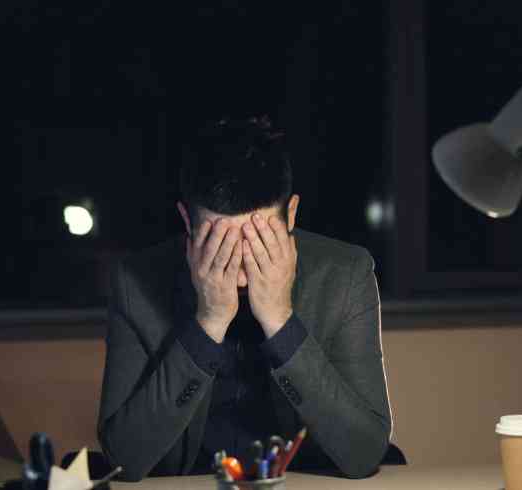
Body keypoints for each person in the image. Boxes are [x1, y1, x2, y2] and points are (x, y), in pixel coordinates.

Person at [97, 116, 393, 481]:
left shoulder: (345, 273)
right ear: (186, 221)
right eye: (218, 242)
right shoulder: (134, 282)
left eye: (258, 239)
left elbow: (365, 452)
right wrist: (208, 322)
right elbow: (124, 458)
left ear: (292, 215)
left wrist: (280, 320)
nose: (239, 265)